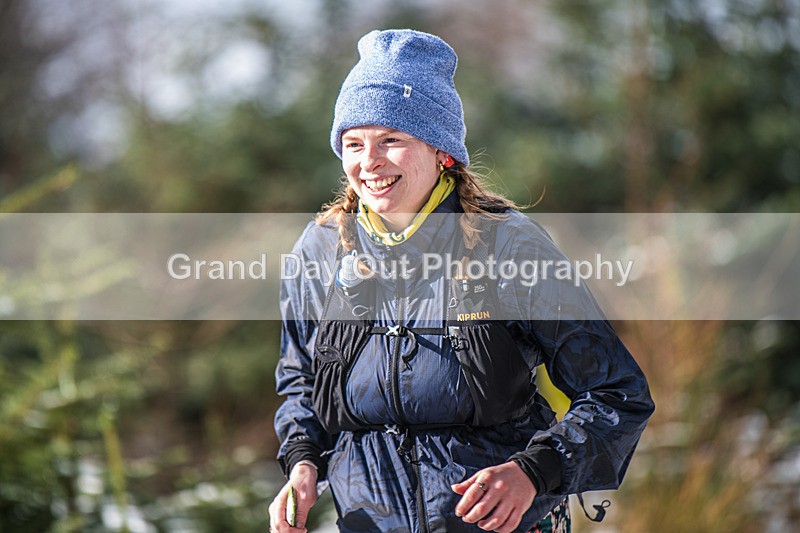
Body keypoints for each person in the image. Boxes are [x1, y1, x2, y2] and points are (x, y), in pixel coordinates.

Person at [269, 29, 654, 533]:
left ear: (442, 152)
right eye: (354, 143)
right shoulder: (320, 249)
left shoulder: (508, 245)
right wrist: (303, 462)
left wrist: (534, 473)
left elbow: (615, 393)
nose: (369, 162)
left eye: (392, 140)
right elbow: (302, 382)